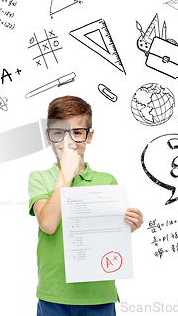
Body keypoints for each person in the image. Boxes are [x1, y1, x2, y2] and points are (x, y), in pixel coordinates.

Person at [28, 95, 144, 315]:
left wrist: (129, 225)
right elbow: (49, 224)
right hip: (54, 294)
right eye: (59, 133)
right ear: (49, 137)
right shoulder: (40, 178)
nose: (68, 141)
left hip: (98, 295)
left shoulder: (107, 180)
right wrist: (66, 174)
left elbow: (108, 236)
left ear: (89, 137)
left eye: (77, 133)